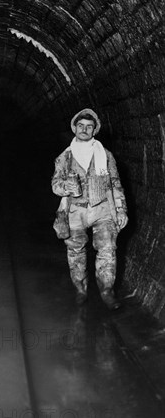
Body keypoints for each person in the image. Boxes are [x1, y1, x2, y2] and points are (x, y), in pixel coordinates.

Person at [52, 108, 128, 310]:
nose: (84, 130)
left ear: (94, 130)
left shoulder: (106, 155)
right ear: (74, 128)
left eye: (89, 127)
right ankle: (81, 290)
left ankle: (107, 291)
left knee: (107, 250)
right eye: (81, 126)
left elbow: (115, 183)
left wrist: (121, 210)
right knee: (75, 251)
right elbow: (55, 185)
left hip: (102, 208)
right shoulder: (64, 158)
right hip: (75, 211)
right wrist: (64, 187)